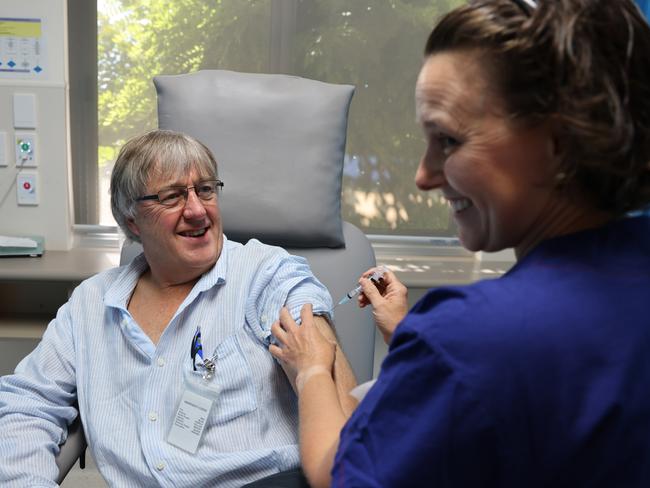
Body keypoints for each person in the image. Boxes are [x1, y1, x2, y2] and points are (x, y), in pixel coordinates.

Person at [269, 0, 650, 486]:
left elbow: (335, 474)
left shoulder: (470, 339)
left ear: (560, 141)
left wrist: (312, 369)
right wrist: (417, 339)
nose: (423, 176)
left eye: (448, 141)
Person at [0, 129, 356, 487]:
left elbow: (330, 382)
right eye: (171, 197)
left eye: (205, 190)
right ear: (131, 221)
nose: (198, 210)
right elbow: (28, 405)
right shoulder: (91, 306)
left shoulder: (265, 273)